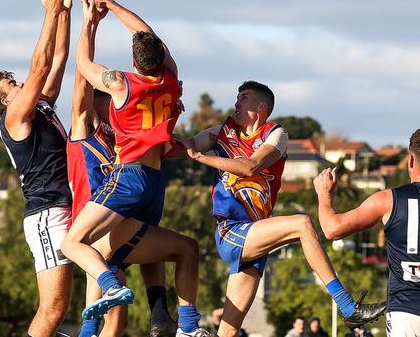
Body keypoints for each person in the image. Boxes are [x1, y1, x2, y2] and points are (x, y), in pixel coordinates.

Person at [172, 81, 386, 337]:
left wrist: (199, 157)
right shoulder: (218, 133)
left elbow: (251, 167)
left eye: (244, 97)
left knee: (228, 332)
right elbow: (177, 149)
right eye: (237, 97)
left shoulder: (277, 135)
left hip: (255, 238)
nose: (236, 102)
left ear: (261, 107)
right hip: (232, 231)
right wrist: (170, 111)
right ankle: (348, 306)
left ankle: (348, 308)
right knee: (302, 224)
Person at [61, 0, 208, 337]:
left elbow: (82, 64)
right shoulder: (171, 77)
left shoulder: (123, 84)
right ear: (161, 55)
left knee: (72, 243)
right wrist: (111, 4)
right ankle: (185, 327)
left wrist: (90, 21)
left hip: (129, 176)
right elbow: (149, 35)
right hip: (157, 182)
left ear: (133, 60)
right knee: (150, 252)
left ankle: (111, 285)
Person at [0, 0, 72, 337]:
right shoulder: (14, 118)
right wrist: (49, 14)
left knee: (65, 305)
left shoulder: (41, 106)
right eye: (11, 86)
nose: (20, 84)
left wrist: (62, 7)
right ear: (5, 101)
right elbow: (39, 67)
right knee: (52, 310)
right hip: (47, 213)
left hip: (68, 204)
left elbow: (58, 58)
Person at [314, 129, 420, 336]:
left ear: (410, 160)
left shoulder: (388, 200)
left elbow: (331, 229)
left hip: (406, 312)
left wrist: (324, 194)